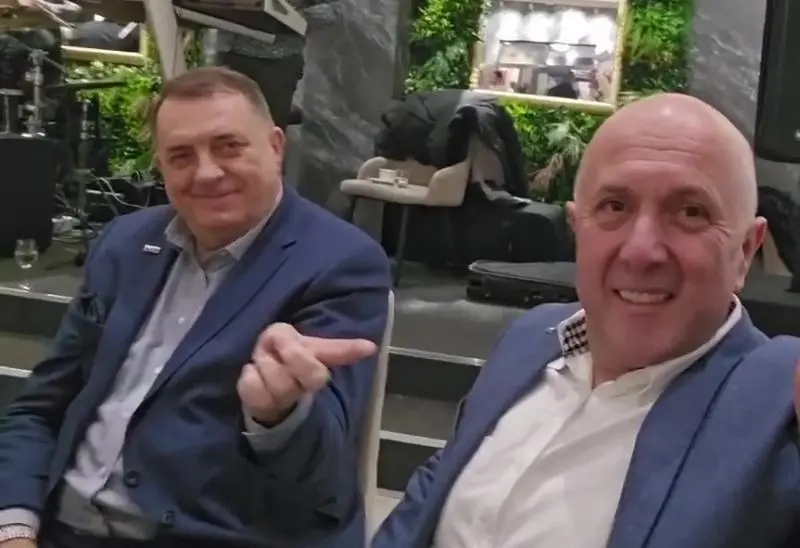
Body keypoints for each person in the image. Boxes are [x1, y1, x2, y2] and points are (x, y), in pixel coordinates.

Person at [372, 93, 800, 548]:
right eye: (615, 206)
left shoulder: (778, 401)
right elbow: (433, 494)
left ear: (745, 251)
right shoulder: (529, 339)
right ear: (577, 230)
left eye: (690, 212)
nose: (641, 250)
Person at [0, 66, 392, 548]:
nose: (206, 172)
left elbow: (322, 484)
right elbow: (41, 407)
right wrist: (14, 527)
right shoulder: (125, 243)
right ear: (161, 167)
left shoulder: (338, 263)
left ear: (275, 146)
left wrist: (279, 415)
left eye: (229, 146)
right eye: (181, 156)